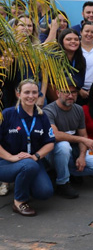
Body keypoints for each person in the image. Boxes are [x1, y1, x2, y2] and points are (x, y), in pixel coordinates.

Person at [0, 80, 55, 216]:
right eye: (27, 92)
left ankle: (24, 182)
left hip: (33, 161)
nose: (31, 96)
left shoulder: (42, 116)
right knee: (28, 166)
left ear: (38, 94)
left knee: (44, 193)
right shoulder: (7, 114)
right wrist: (11, 157)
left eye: (34, 92)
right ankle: (19, 202)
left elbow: (50, 143)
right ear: (18, 94)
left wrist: (36, 156)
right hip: (6, 163)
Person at [44, 84, 93, 199]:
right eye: (66, 92)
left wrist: (82, 156)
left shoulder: (78, 109)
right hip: (53, 150)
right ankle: (62, 183)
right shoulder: (49, 110)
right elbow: (55, 135)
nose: (70, 95)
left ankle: (63, 173)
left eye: (74, 92)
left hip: (74, 149)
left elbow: (83, 134)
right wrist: (82, 139)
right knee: (63, 146)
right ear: (58, 93)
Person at [57, 28, 87, 100]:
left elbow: (80, 83)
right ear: (62, 42)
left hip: (75, 96)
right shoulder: (55, 58)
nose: (73, 42)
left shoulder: (81, 60)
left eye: (76, 39)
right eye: (69, 39)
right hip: (58, 98)